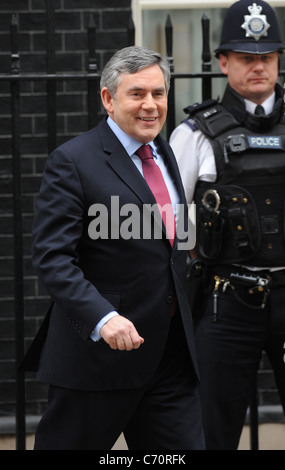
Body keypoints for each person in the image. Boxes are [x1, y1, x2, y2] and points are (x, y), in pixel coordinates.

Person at [21, 45, 205, 450]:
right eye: (137, 94)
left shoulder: (164, 152)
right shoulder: (72, 161)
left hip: (169, 359)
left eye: (158, 93)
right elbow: (53, 258)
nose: (150, 105)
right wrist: (104, 319)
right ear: (108, 99)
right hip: (100, 361)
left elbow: (170, 244)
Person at [170, 0, 285, 450]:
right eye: (246, 58)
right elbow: (170, 221)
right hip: (225, 301)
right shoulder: (195, 134)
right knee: (210, 433)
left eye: (267, 57)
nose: (259, 67)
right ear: (223, 62)